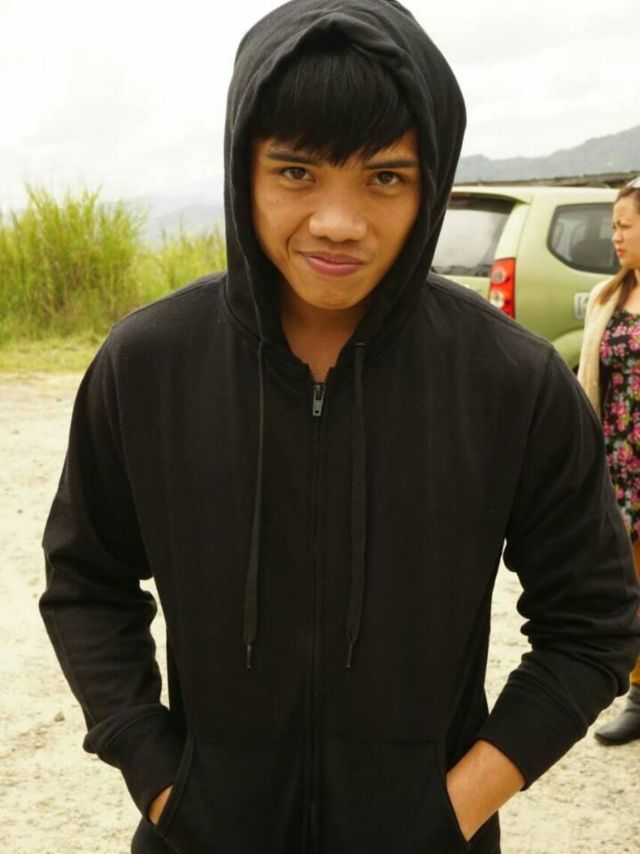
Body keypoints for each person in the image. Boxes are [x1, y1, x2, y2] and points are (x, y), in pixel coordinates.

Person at [40, 2, 640, 853]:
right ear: (242, 168)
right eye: (297, 172)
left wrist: (449, 811)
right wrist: (164, 780)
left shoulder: (511, 381)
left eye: (384, 178)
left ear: (430, 181)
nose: (338, 221)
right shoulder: (149, 363)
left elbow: (593, 622)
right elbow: (86, 581)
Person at [578, 176, 640, 746]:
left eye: (624, 225)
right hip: (619, 467)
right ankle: (639, 695)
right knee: (630, 584)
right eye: (613, 226)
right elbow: (588, 385)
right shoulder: (607, 296)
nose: (614, 236)